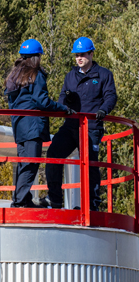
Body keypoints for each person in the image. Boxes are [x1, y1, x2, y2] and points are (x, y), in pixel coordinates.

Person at [43, 37, 117, 210]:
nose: (79, 58)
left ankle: (92, 205)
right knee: (53, 154)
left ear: (91, 54)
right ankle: (54, 199)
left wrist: (103, 111)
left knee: (90, 163)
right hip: (71, 126)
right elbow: (62, 99)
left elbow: (111, 96)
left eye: (83, 54)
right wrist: (65, 103)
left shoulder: (104, 75)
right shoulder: (70, 76)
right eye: (77, 55)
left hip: (91, 128)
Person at [4, 39, 71, 208]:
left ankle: (22, 198)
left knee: (23, 162)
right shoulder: (35, 74)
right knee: (31, 162)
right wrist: (62, 108)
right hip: (33, 126)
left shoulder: (14, 76)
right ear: (36, 57)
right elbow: (42, 101)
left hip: (19, 127)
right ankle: (19, 201)